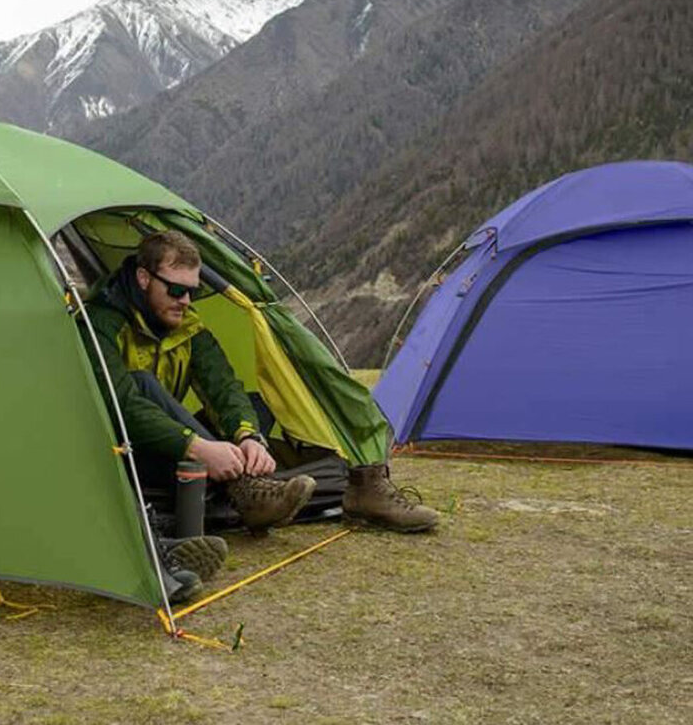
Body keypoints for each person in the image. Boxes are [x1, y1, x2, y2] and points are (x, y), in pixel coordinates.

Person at [83, 230, 438, 598]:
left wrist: (247, 437)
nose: (186, 300)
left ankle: (266, 484)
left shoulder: (187, 326)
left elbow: (223, 387)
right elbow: (122, 404)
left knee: (255, 403)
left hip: (170, 445)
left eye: (194, 291)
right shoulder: (101, 324)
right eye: (176, 290)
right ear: (144, 279)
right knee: (142, 384)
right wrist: (198, 447)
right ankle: (243, 490)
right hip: (120, 449)